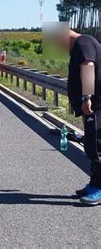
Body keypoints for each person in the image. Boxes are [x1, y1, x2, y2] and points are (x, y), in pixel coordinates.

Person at [63, 28, 101, 205]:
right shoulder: (80, 44)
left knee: (97, 146)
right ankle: (94, 183)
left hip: (96, 105)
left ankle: (99, 187)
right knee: (92, 145)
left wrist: (86, 97)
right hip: (94, 105)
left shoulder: (83, 42)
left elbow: (88, 66)